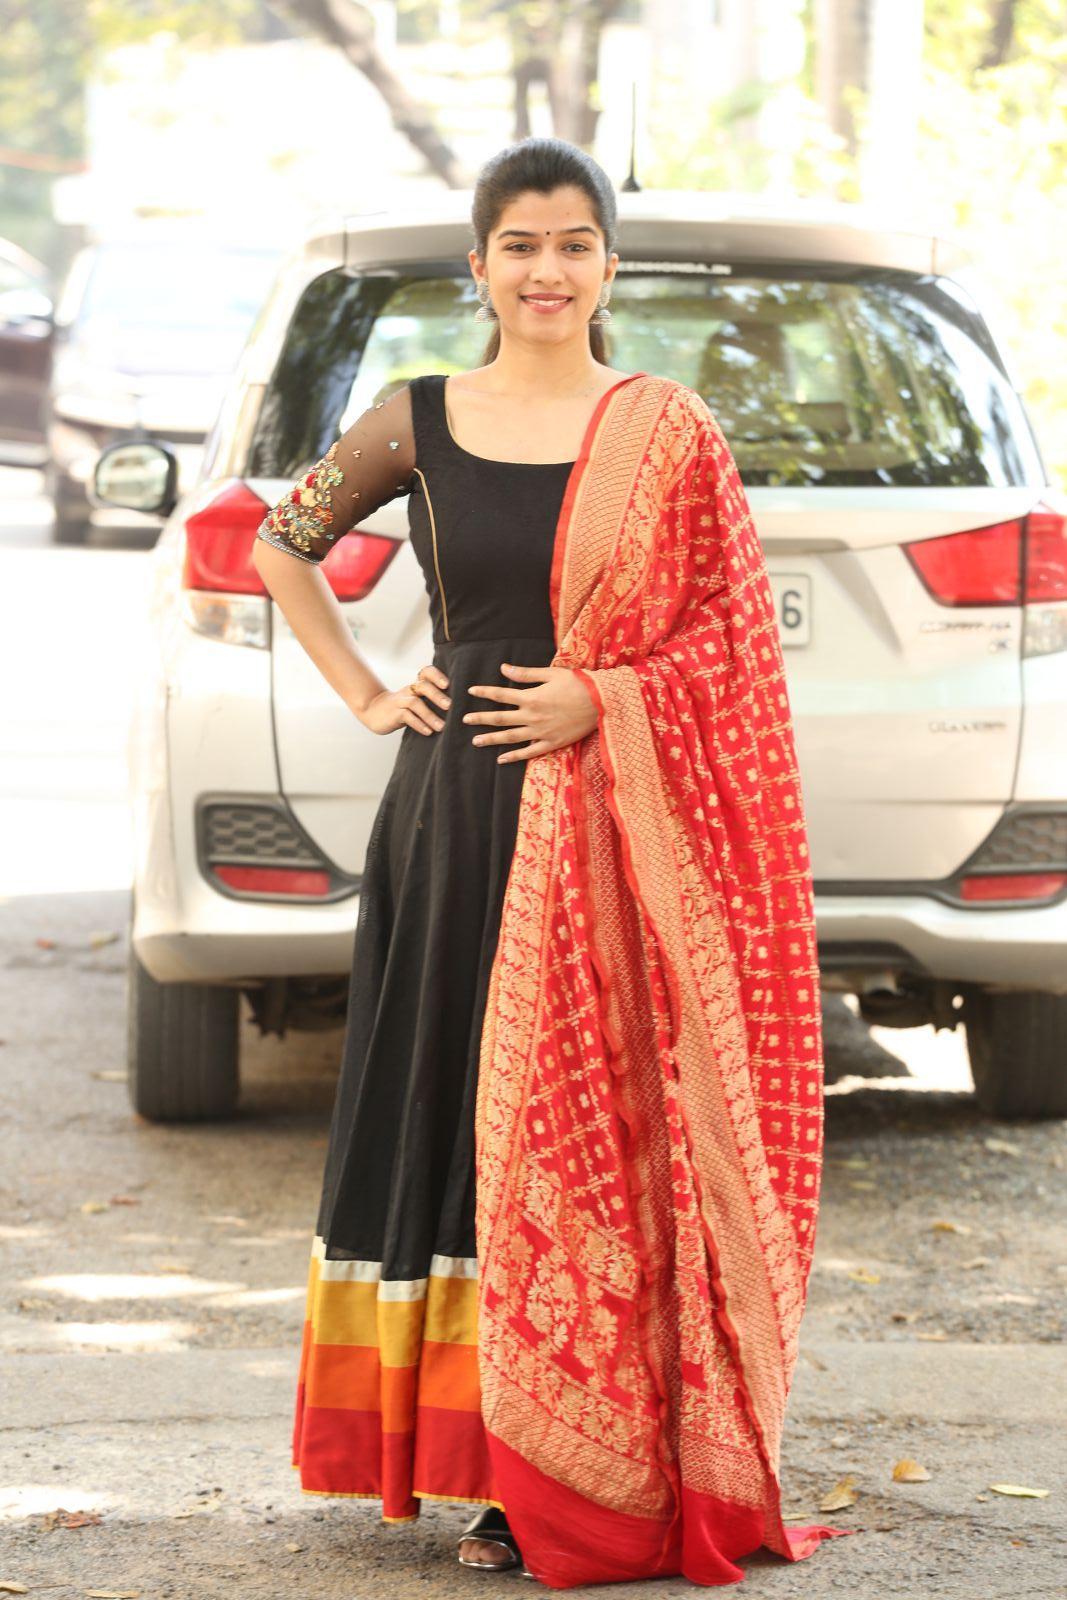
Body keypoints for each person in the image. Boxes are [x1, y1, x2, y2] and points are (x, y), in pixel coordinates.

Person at [252, 136, 846, 1589]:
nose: (546, 270)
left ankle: (586, 1462)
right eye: (519, 244)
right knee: (460, 1112)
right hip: (460, 817)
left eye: (574, 243)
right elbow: (282, 543)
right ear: (479, 266)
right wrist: (369, 692)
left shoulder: (667, 432)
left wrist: (605, 699)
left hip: (620, 836)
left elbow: (729, 644)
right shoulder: (422, 419)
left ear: (609, 266)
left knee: (597, 1133)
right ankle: (476, 1463)